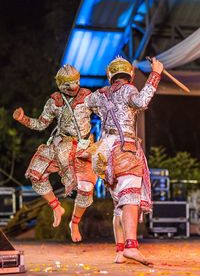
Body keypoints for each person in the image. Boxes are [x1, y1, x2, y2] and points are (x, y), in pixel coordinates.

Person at [82, 56, 163, 266]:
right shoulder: (128, 89)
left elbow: (85, 104)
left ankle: (120, 251)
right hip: (124, 147)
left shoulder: (100, 94)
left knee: (118, 203)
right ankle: (131, 246)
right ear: (129, 75)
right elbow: (142, 101)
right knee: (131, 198)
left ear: (111, 75)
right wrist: (155, 74)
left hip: (105, 151)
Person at [13, 64, 97, 242]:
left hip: (82, 148)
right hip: (60, 145)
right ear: (60, 84)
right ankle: (56, 207)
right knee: (35, 174)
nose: (74, 87)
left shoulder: (88, 97)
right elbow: (41, 124)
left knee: (86, 188)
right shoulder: (54, 101)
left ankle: (74, 223)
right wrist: (23, 119)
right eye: (69, 84)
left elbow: (107, 114)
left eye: (76, 82)